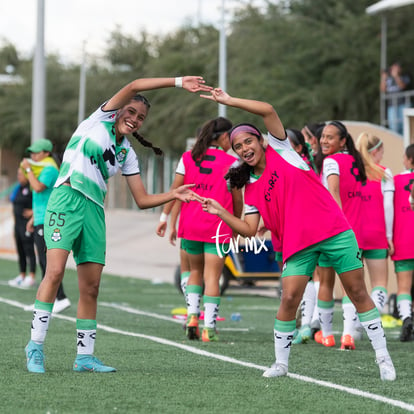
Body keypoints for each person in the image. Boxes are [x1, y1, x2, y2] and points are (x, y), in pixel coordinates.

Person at [198, 88, 395, 381]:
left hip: (334, 231)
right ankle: (281, 364)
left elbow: (266, 109)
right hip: (297, 243)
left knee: (356, 292)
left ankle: (383, 359)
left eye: (248, 141)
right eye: (238, 147)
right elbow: (249, 229)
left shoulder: (283, 151)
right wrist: (220, 211)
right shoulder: (249, 186)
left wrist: (229, 101)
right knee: (289, 297)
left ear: (261, 141)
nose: (244, 149)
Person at [24, 75, 211, 374]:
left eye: (141, 118)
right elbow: (136, 85)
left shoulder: (127, 154)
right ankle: (35, 347)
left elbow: (142, 199)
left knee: (91, 287)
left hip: (95, 211)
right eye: (131, 112)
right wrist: (178, 82)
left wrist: (174, 194)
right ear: (119, 109)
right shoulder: (96, 121)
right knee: (55, 272)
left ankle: (84, 357)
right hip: (67, 199)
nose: (135, 119)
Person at [158, 117, 242, 342]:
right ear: (224, 137)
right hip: (218, 227)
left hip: (190, 224)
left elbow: (174, 191)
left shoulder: (187, 158)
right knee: (212, 277)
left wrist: (165, 218)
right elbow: (237, 199)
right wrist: (236, 222)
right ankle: (209, 329)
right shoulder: (233, 163)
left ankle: (192, 317)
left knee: (194, 273)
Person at [316, 121, 367, 351]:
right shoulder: (358, 162)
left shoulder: (331, 161)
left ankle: (327, 335)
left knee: (326, 282)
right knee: (351, 287)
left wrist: (336, 227)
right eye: (323, 136)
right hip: (356, 231)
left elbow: (333, 193)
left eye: (330, 137)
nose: (324, 141)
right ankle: (348, 335)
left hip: (333, 231)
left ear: (342, 141)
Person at [20, 139, 71, 314]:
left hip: (49, 219)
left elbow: (38, 187)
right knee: (44, 262)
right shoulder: (44, 168)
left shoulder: (49, 169)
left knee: (47, 262)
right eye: (32, 152)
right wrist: (33, 218)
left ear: (46, 153)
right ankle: (48, 299)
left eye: (37, 152)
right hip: (41, 218)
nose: (33, 155)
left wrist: (27, 169)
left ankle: (59, 298)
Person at [355, 132, 394, 317]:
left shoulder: (352, 172)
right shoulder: (383, 172)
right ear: (376, 151)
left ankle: (353, 327)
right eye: (382, 151)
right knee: (379, 283)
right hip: (377, 232)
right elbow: (388, 207)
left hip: (353, 234)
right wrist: (389, 237)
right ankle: (374, 315)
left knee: (355, 285)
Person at [391, 143, 414, 341]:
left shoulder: (396, 180)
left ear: (408, 159)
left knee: (404, 287)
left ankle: (407, 317)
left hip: (403, 239)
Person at [8, 168, 36, 288]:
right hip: (17, 225)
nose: (18, 176)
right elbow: (12, 200)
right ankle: (22, 274)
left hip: (27, 224)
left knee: (29, 250)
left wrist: (33, 212)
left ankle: (32, 276)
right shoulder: (18, 188)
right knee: (20, 250)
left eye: (21, 174)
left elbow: (41, 202)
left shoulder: (32, 187)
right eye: (18, 174)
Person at [380, 61, 411, 135]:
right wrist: (383, 78)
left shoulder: (405, 76)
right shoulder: (388, 78)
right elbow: (383, 89)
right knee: (393, 128)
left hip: (403, 104)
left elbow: (402, 86)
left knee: (405, 126)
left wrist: (396, 76)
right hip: (392, 106)